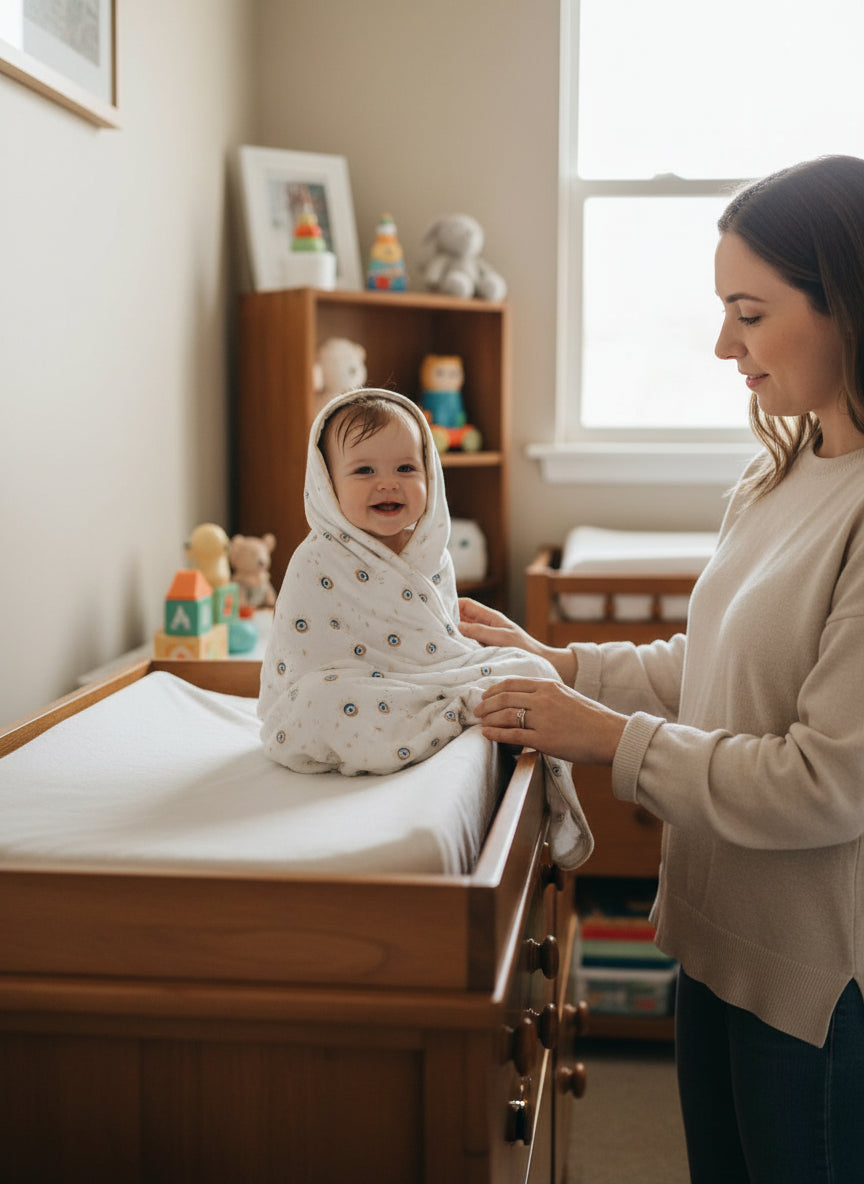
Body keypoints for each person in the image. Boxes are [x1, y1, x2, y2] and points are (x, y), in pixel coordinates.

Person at [461, 155, 864, 1184]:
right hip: (716, 942)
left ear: (847, 305)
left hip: (816, 986)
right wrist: (562, 661)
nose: (723, 343)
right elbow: (717, 665)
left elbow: (827, 780)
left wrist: (606, 739)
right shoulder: (780, 467)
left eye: (750, 311)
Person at [257, 387, 593, 867]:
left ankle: (446, 706)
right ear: (327, 485)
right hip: (348, 686)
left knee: (531, 668)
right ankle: (451, 713)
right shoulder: (314, 559)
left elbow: (441, 646)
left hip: (426, 678)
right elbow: (301, 659)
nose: (388, 484)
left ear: (430, 474)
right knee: (321, 702)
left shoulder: (431, 549)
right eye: (364, 470)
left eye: (406, 469)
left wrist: (455, 675)